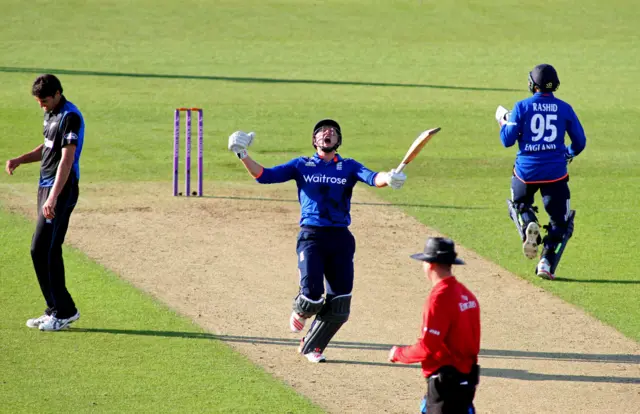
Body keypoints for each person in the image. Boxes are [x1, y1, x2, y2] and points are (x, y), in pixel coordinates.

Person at [228, 119, 407, 363]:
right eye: (322, 131)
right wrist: (242, 154)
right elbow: (264, 176)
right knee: (312, 296)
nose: (328, 133)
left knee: (340, 303)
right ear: (314, 140)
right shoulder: (301, 165)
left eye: (333, 131)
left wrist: (390, 177)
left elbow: (374, 178)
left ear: (338, 141)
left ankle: (313, 346)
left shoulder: (348, 166)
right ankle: (302, 309)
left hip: (341, 238)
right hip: (312, 235)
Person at [5, 74, 85, 331]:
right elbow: (48, 148)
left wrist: (52, 197)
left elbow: (66, 159)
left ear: (58, 93)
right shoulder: (51, 114)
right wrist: (20, 159)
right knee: (45, 249)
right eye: (39, 102)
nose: (42, 105)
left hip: (61, 189)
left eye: (45, 100)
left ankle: (65, 311)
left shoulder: (70, 116)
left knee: (42, 248)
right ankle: (56, 309)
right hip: (46, 187)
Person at [495, 63, 586, 279]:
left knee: (519, 205)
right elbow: (580, 142)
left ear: (532, 85)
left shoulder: (521, 107)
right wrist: (567, 153)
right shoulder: (565, 108)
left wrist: (504, 123)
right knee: (560, 222)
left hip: (525, 173)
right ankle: (546, 261)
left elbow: (507, 141)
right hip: (555, 174)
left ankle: (528, 223)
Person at [388, 237, 480, 414]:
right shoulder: (467, 295)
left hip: (446, 386)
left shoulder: (439, 298)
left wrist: (398, 354)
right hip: (466, 382)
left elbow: (428, 346)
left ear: (430, 265)